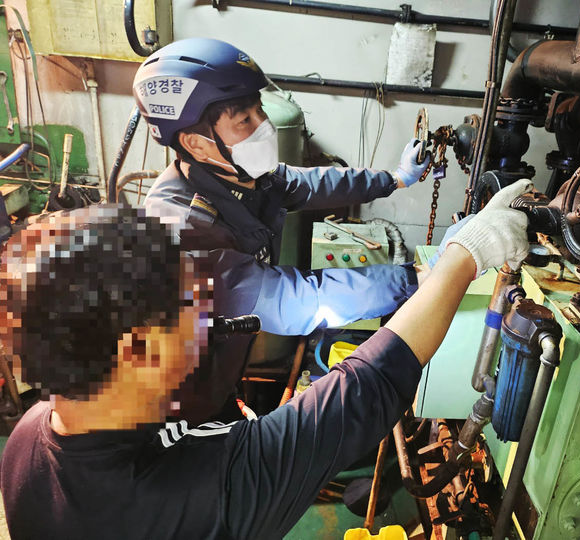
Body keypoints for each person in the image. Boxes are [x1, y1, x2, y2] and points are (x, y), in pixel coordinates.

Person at [0, 180, 531, 540]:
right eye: (189, 306)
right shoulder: (207, 492)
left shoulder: (27, 438)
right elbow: (364, 388)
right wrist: (464, 256)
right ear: (139, 351)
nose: (206, 317)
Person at [135, 37, 431, 338]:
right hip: (191, 374)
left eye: (260, 111)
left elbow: (314, 184)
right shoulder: (181, 230)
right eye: (244, 121)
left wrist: (396, 179)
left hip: (234, 348)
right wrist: (414, 278)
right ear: (196, 144)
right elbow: (290, 300)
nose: (265, 127)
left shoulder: (243, 175)